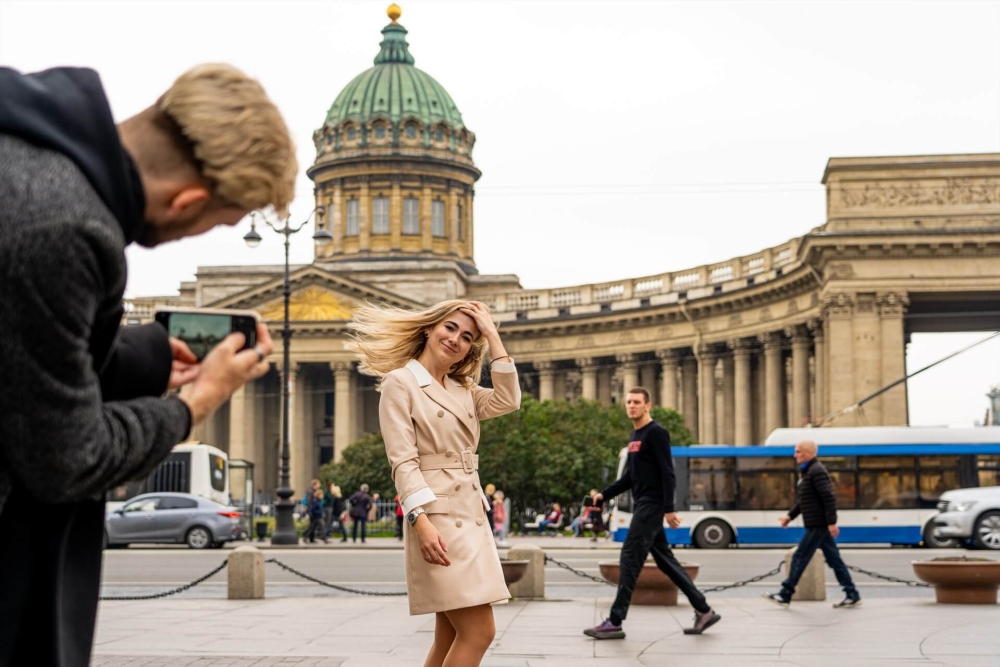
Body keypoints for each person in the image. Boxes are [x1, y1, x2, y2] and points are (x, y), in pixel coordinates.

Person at [0, 63, 293, 667]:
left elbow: (19, 360)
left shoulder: (26, 146)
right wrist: (194, 404)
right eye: (219, 220)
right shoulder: (66, 227)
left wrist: (145, 357)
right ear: (187, 198)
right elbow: (68, 460)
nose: (202, 231)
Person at [350, 299, 520, 667]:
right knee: (479, 632)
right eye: (449, 328)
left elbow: (508, 399)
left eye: (467, 337)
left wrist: (492, 335)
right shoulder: (401, 382)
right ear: (429, 328)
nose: (456, 339)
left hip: (470, 515)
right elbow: (403, 462)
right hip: (438, 519)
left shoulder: (465, 389)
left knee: (449, 635)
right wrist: (420, 521)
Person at [584, 388, 721, 640]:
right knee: (665, 561)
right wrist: (604, 494)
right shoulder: (636, 435)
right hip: (644, 504)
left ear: (648, 405)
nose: (631, 406)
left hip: (652, 505)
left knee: (629, 556)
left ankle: (615, 621)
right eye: (628, 402)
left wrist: (669, 509)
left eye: (637, 402)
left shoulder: (656, 433)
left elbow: (668, 473)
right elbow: (630, 477)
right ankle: (704, 610)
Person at [762, 440, 861, 608]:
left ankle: (785, 594)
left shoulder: (816, 471)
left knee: (800, 557)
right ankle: (852, 594)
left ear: (809, 453)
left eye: (798, 451)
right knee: (834, 560)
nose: (795, 455)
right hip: (817, 523)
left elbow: (828, 497)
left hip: (818, 524)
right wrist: (789, 517)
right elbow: (804, 501)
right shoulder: (809, 472)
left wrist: (831, 523)